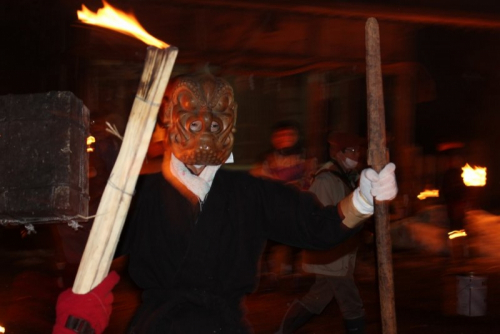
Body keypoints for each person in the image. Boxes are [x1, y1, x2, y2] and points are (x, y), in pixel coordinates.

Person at [53, 72, 397, 334]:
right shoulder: (140, 195)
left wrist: (364, 197)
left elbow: (316, 227)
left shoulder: (251, 193)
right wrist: (62, 199)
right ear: (169, 122)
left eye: (216, 114)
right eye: (191, 113)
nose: (204, 123)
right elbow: (90, 246)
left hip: (226, 325)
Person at [276, 132, 368, 333]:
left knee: (318, 298)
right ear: (339, 154)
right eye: (352, 150)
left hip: (338, 254)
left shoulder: (346, 178)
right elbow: (321, 222)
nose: (357, 154)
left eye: (358, 150)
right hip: (332, 254)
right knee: (351, 303)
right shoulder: (326, 180)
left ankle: (282, 331)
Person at [251, 120, 316, 291]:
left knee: (295, 240)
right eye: (280, 136)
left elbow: (311, 179)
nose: (285, 139)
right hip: (273, 208)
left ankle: (292, 273)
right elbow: (258, 180)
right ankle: (268, 274)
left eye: (289, 135)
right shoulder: (267, 159)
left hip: (295, 206)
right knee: (269, 241)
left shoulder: (304, 157)